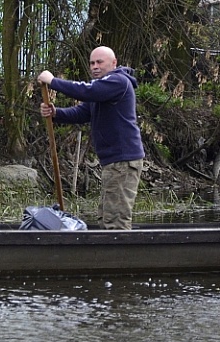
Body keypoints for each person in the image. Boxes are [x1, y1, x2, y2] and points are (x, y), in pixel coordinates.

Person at [38, 46, 145, 230]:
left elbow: (86, 91)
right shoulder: (101, 89)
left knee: (115, 222)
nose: (95, 66)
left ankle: (120, 249)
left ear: (114, 63)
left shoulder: (118, 82)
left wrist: (53, 81)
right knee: (106, 217)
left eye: (99, 62)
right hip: (113, 162)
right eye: (92, 63)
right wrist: (56, 113)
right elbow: (82, 112)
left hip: (123, 161)